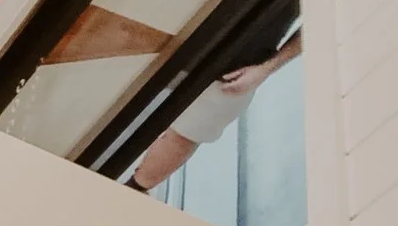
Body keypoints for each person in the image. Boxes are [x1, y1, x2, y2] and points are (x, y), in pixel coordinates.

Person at [125, 28, 303, 192]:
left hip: (237, 69)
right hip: (177, 35)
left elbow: (315, 24)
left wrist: (266, 69)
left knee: (185, 136)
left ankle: (130, 193)